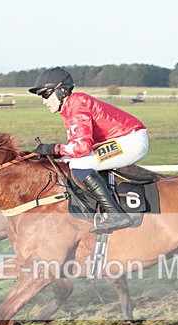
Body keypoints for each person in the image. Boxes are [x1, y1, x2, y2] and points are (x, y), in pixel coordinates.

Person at [29, 67, 148, 234]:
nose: (44, 101)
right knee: (69, 161)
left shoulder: (77, 105)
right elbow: (75, 147)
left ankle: (116, 214)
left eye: (46, 94)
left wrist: (54, 148)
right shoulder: (70, 107)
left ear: (61, 91)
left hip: (130, 141)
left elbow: (81, 147)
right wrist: (57, 152)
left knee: (80, 164)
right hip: (122, 138)